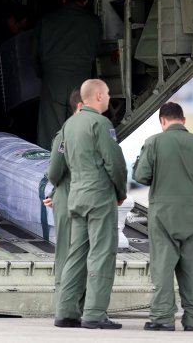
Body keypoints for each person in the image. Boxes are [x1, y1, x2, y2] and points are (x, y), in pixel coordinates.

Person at [132, 102, 193, 332]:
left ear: (162, 121)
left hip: (164, 215)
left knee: (163, 268)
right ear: (184, 120)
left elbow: (141, 175)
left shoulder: (154, 142)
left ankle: (162, 318)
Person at [54, 79, 127, 329]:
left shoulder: (68, 125)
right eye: (106, 93)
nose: (109, 97)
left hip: (76, 197)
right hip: (98, 197)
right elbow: (114, 162)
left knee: (76, 254)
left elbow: (58, 162)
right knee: (101, 253)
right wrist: (120, 191)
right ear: (97, 96)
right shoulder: (100, 123)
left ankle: (65, 312)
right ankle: (94, 313)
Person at [34, 0, 102, 150]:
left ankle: (49, 169)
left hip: (53, 81)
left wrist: (42, 74)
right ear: (85, 1)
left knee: (50, 133)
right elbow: (97, 52)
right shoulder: (93, 22)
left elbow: (35, 54)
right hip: (81, 82)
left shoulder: (47, 21)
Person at [43, 89, 82, 326]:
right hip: (72, 199)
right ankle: (67, 306)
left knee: (73, 253)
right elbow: (55, 172)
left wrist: (55, 191)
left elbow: (56, 173)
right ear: (80, 105)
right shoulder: (67, 134)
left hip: (70, 198)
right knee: (69, 253)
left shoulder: (71, 133)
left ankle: (75, 305)